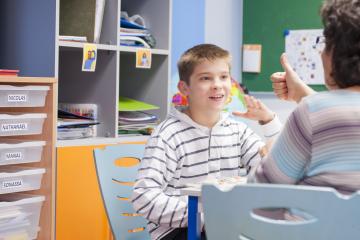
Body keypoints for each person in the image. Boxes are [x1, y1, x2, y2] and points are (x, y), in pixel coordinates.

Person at [131, 44, 282, 240]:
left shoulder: (237, 130)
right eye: (205, 78)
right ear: (184, 88)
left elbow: (274, 172)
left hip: (224, 225)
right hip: (180, 230)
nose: (217, 84)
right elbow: (143, 198)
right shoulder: (168, 135)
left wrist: (269, 121)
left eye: (223, 77)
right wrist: (203, 215)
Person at [253, 0, 360, 194]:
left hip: (318, 224)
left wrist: (272, 149)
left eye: (325, 43)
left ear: (334, 52)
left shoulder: (313, 110)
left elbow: (262, 191)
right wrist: (303, 94)